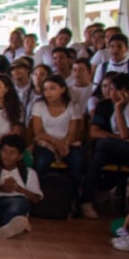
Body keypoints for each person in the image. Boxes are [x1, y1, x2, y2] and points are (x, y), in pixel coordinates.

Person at [83, 72, 129, 218]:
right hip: (112, 149)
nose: (113, 93)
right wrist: (118, 139)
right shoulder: (103, 106)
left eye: (118, 90)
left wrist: (119, 108)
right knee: (100, 153)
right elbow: (94, 132)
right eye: (111, 89)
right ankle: (86, 202)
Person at [30, 74, 85, 210]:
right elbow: (39, 132)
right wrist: (55, 143)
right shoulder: (39, 106)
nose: (48, 92)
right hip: (46, 142)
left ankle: (73, 197)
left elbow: (73, 133)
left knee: (77, 162)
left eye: (52, 88)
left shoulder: (73, 107)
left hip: (67, 143)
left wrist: (64, 144)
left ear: (62, 89)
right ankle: (40, 196)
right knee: (41, 162)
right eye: (45, 89)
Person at [0, 134, 42, 239]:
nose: (7, 155)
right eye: (4, 151)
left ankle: (9, 225)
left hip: (16, 200)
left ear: (20, 156)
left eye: (12, 152)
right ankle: (18, 223)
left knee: (17, 206)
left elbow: (36, 199)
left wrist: (18, 189)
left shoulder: (29, 173)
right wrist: (0, 188)